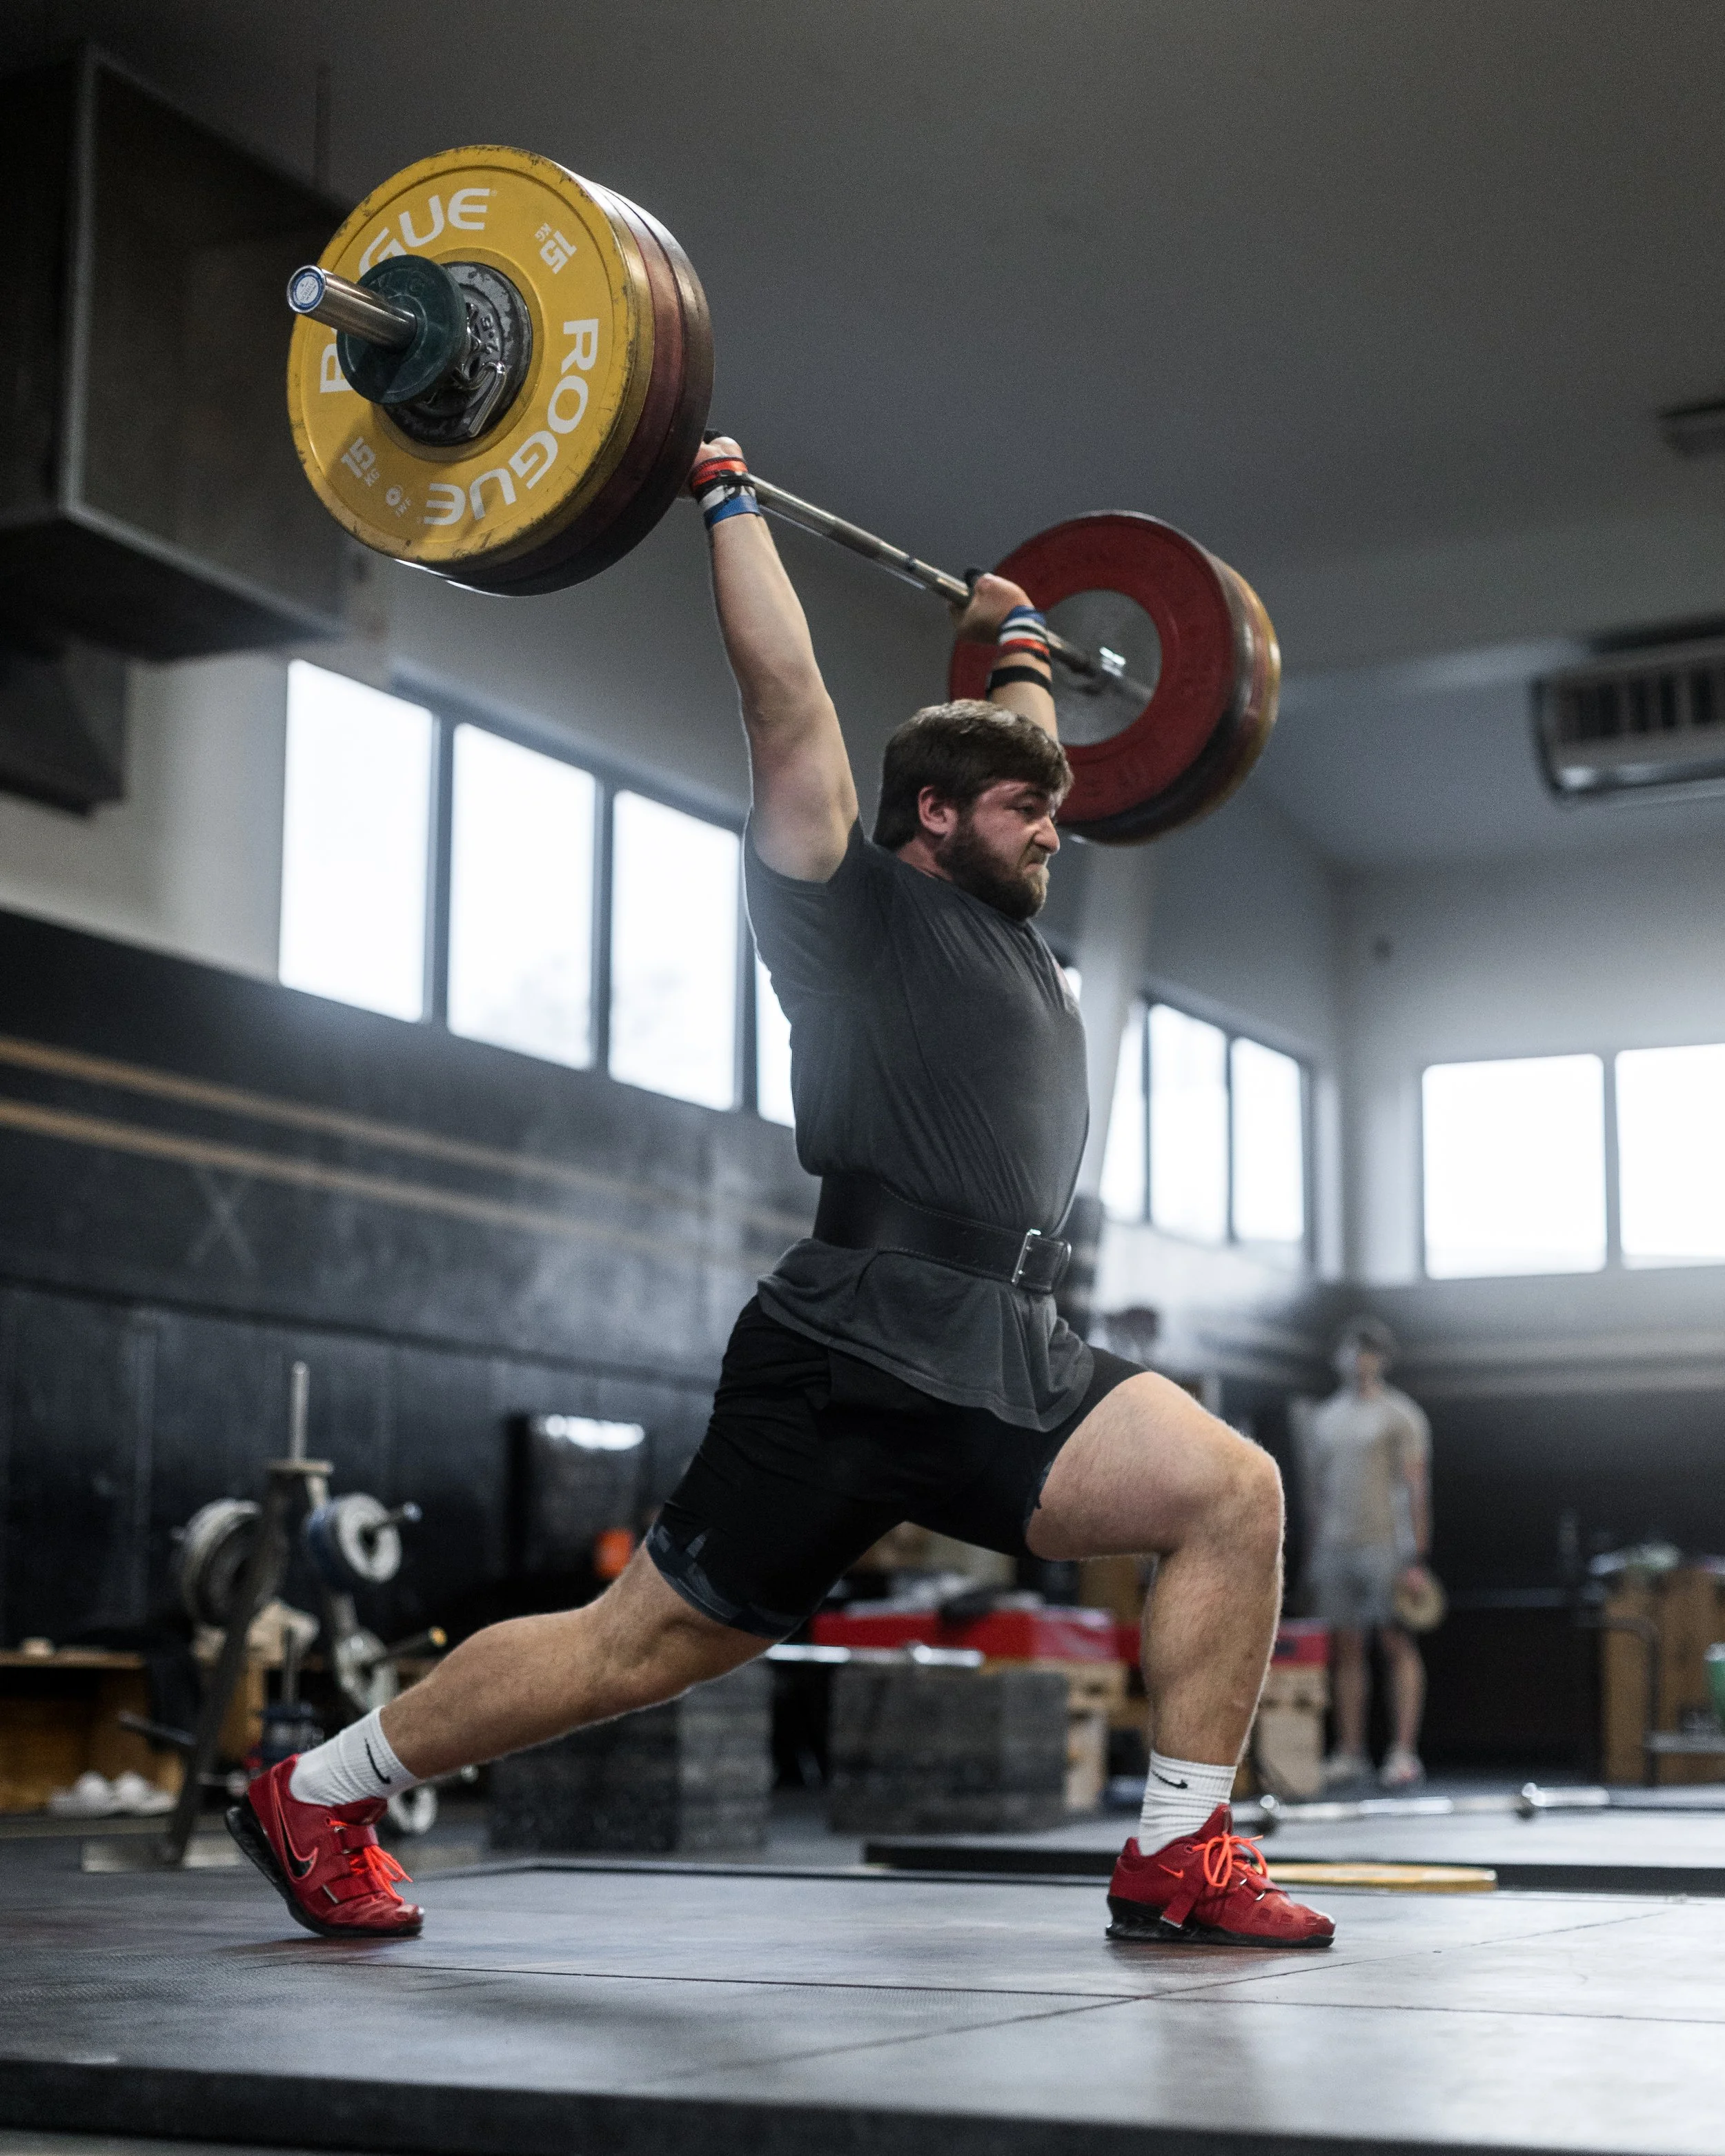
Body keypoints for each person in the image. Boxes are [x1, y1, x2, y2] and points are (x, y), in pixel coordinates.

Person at [226, 439, 1333, 1951]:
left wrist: (1018, 639)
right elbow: (787, 705)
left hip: (997, 1337)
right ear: (932, 816)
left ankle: (1174, 1852)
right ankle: (316, 1792)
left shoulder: (1004, 907)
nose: (1052, 829)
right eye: (1024, 809)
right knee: (635, 1647)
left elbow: (1013, 740)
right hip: (858, 1335)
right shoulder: (844, 909)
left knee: (1230, 1491)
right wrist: (725, 492)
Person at [1299, 1317, 1435, 1791]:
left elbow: (1415, 1486)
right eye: (1352, 1349)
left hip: (1387, 1548)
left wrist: (1414, 1555)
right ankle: (1351, 1751)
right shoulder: (1325, 1418)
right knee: (1347, 1648)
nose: (1359, 1359)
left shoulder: (1402, 1415)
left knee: (1396, 1644)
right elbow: (1317, 1493)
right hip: (1336, 1547)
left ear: (1383, 1358)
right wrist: (1315, 1554)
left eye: (1369, 1350)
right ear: (1339, 1357)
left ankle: (1403, 1751)